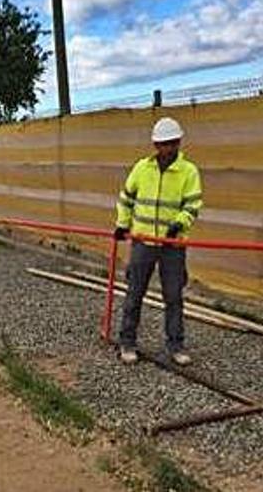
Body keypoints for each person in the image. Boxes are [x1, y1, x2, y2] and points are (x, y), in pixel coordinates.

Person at [114, 117, 203, 365]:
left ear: (179, 142)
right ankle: (127, 342)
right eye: (164, 144)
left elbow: (193, 204)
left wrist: (179, 223)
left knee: (173, 297)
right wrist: (123, 224)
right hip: (143, 242)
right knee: (134, 293)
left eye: (173, 143)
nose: (169, 148)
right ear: (156, 144)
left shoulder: (188, 172)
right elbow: (126, 198)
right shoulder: (142, 169)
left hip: (172, 246)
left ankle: (176, 346)